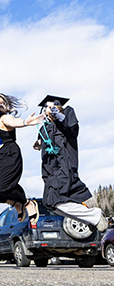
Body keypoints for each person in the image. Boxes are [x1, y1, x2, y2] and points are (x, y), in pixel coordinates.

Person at [34, 95, 108, 231]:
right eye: (46, 107)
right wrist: (39, 143)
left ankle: (94, 215)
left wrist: (57, 114)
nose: (48, 109)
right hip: (49, 171)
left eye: (52, 106)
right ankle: (89, 219)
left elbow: (72, 129)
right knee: (49, 203)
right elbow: (44, 140)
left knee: (56, 200)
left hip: (64, 166)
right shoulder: (45, 126)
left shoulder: (66, 114)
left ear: (58, 107)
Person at [0, 93, 44, 221]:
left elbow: (13, 122)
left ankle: (27, 202)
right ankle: (15, 203)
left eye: (1, 102)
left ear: (5, 107)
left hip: (7, 155)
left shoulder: (4, 118)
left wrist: (25, 122)